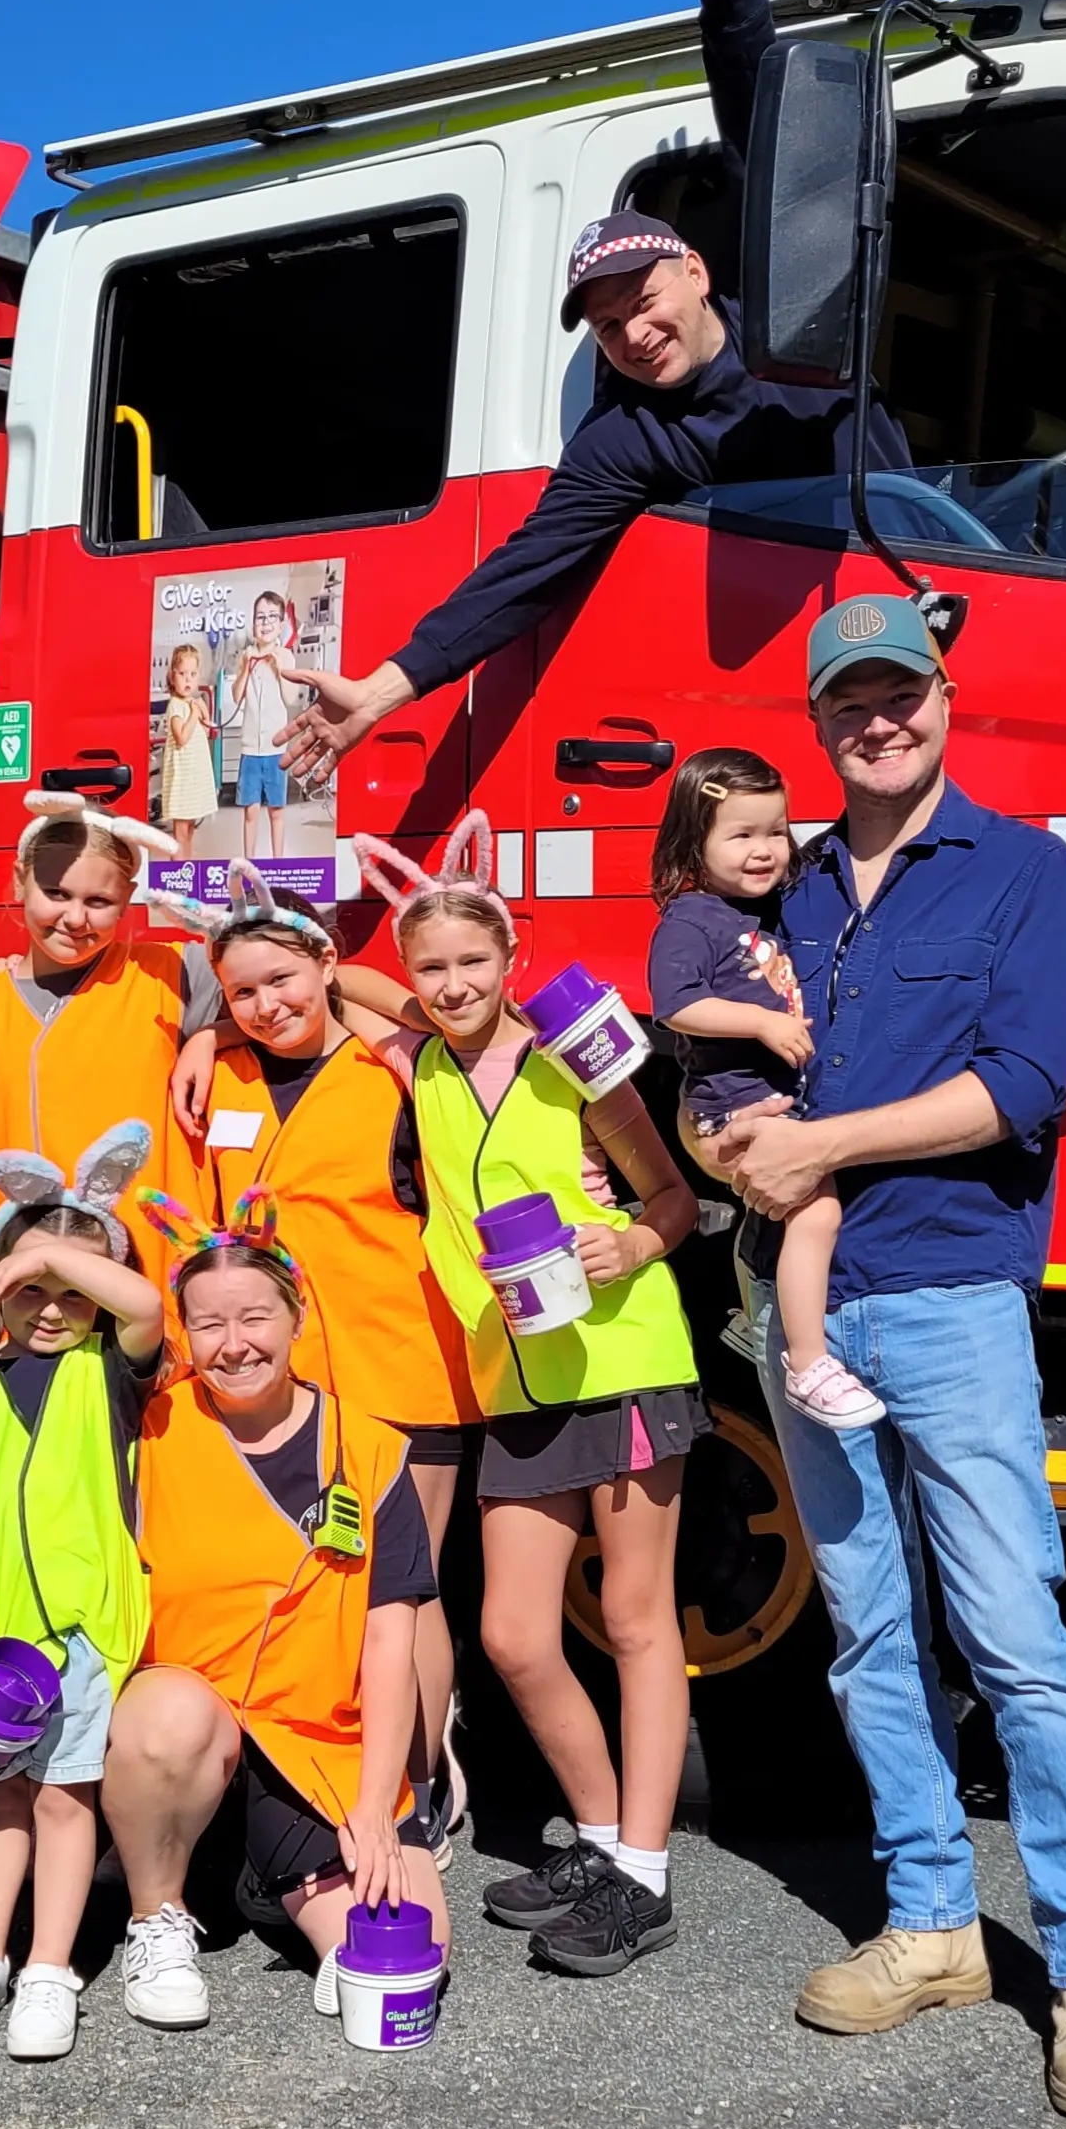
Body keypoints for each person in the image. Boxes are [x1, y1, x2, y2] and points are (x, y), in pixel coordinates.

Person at [703, 595, 1066, 2119]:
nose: (874, 721)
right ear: (818, 722)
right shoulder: (793, 888)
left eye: (898, 695)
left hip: (949, 1295)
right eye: (846, 703)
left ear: (943, 699)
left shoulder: (1020, 869)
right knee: (871, 1635)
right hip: (806, 1305)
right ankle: (933, 1925)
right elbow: (723, 1059)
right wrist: (724, 1140)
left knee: (1017, 1641)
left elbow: (1024, 1081)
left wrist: (819, 1141)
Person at [278, 0, 909, 785]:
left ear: (694, 271)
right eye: (608, 326)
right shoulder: (625, 441)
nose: (635, 334)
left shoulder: (800, 305)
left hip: (913, 589)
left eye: (643, 301)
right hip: (807, 679)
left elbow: (766, 135)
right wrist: (382, 691)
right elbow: (523, 572)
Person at [366, 814, 701, 1979]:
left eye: (473, 961)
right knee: (512, 1632)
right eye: (431, 968)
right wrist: (211, 1028)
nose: (452, 984)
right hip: (516, 1371)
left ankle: (646, 1876)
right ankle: (606, 1839)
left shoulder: (575, 1059)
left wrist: (633, 1250)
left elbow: (675, 1201)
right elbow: (326, 978)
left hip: (623, 1361)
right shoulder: (422, 1061)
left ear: (512, 961)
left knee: (634, 1619)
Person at [156, 865, 480, 1825]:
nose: (265, 1005)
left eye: (283, 981)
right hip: (276, 1387)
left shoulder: (397, 1066)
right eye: (241, 992)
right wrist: (208, 1033)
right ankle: (323, 1768)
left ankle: (421, 1783)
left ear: (327, 966)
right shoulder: (225, 1077)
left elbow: (448, 1025)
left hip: (401, 1370)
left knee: (404, 1596)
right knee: (316, 1585)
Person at [95, 1195, 448, 2031]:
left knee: (409, 1951)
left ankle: (268, 1882)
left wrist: (372, 1805)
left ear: (297, 1318)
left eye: (256, 1315)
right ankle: (158, 1916)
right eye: (209, 1325)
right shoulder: (148, 1429)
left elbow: (390, 1636)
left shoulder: (370, 1447)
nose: (235, 1344)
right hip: (186, 1727)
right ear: (182, 1333)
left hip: (315, 1736)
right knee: (173, 1718)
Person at [0, 1160, 160, 2061]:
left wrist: (42, 1247)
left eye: (69, 1291)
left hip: (84, 1637)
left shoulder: (109, 1372)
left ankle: (50, 1966)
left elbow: (147, 1304)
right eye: (30, 1290)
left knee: (62, 1799)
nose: (52, 1308)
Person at [0, 794, 222, 1336]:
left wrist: (214, 1032)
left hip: (143, 1304)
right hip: (5, 1306)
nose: (74, 917)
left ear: (127, 901)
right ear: (19, 882)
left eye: (99, 900)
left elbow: (316, 987)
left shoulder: (178, 977)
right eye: (56, 893)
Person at [646, 745, 880, 1427]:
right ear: (695, 842)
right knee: (816, 1209)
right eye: (741, 835)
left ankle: (769, 1322)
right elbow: (674, 1003)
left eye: (776, 831)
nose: (764, 850)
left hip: (772, 1098)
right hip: (734, 1104)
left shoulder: (766, 914)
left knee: (787, 1218)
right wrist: (758, 1022)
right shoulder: (692, 919)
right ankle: (805, 1362)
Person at [220, 592, 306, 857]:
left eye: (272, 617)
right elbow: (236, 696)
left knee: (276, 810)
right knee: (250, 810)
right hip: (250, 748)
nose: (265, 623)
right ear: (252, 622)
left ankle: (278, 863)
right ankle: (249, 861)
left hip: (276, 747)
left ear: (281, 625)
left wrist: (281, 669)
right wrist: (245, 667)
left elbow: (291, 698)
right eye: (260, 617)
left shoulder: (286, 656)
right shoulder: (247, 656)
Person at [157, 645, 218, 852]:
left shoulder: (192, 702)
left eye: (193, 674)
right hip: (182, 780)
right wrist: (194, 713)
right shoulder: (176, 705)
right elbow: (181, 737)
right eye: (182, 674)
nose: (188, 680)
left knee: (190, 830)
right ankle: (178, 873)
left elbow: (207, 730)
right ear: (173, 676)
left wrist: (204, 713)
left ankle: (187, 870)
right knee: (180, 833)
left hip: (194, 779)